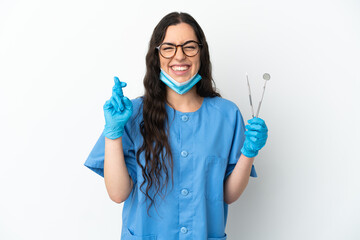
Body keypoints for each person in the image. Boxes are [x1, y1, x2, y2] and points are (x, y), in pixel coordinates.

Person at [84, 12, 268, 240]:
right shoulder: (131, 114)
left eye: (189, 47)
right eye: (168, 47)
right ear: (157, 55)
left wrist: (248, 152)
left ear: (201, 53)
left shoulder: (227, 115)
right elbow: (118, 193)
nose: (179, 56)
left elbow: (227, 195)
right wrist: (113, 133)